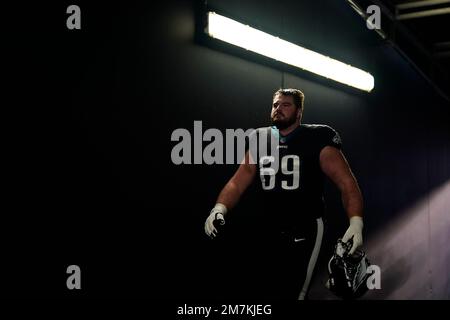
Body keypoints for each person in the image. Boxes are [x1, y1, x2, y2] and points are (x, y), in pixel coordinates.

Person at [204, 88, 364, 300]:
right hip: (268, 227)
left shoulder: (317, 138)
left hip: (305, 228)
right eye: (275, 105)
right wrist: (219, 208)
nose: (278, 109)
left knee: (297, 293)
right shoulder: (260, 138)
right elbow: (238, 181)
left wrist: (356, 222)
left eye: (285, 105)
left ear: (299, 112)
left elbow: (346, 183)